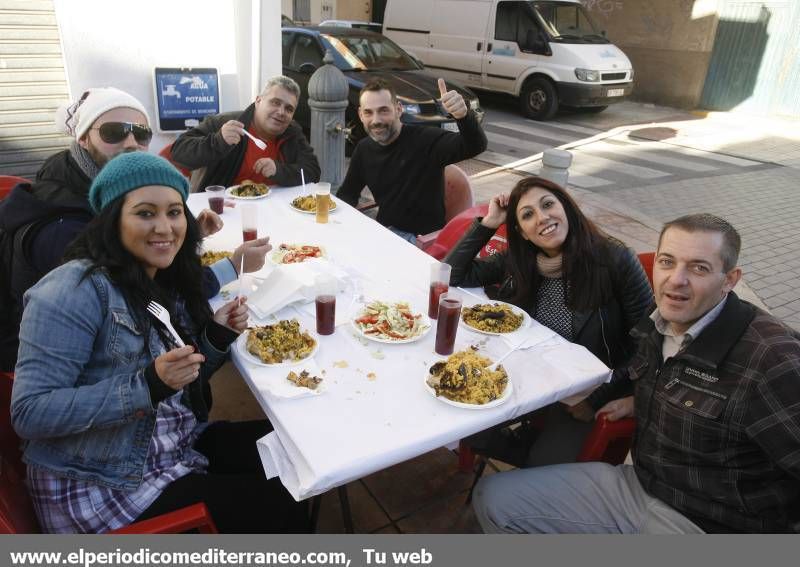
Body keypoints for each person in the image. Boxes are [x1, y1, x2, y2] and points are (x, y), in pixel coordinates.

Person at [11, 152, 308, 533]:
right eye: (145, 213)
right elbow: (30, 414)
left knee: (293, 452)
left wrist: (215, 337)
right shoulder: (71, 290)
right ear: (112, 219)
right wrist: (147, 385)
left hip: (171, 442)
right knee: (278, 504)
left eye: (173, 212)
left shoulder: (157, 277)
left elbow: (177, 381)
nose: (165, 227)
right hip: (102, 485)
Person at [473, 213, 800, 534]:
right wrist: (636, 399)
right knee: (495, 500)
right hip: (638, 485)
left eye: (699, 268)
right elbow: (655, 371)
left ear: (729, 279)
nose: (676, 280)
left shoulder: (772, 360)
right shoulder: (660, 320)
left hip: (708, 524)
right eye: (668, 262)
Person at [0, 87, 269, 371]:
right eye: (114, 132)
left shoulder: (76, 181)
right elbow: (150, 295)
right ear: (82, 138)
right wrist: (231, 266)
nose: (131, 143)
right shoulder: (64, 233)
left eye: (141, 134)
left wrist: (183, 235)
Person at [446, 176, 653, 466]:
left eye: (548, 205)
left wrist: (597, 398)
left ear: (566, 207)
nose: (542, 218)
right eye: (528, 215)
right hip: (526, 373)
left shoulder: (615, 260)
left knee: (544, 463)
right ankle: (526, 445)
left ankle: (534, 453)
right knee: (464, 428)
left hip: (583, 390)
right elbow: (453, 275)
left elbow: (650, 345)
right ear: (523, 232)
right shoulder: (523, 259)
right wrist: (490, 223)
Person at [337, 78, 488, 242]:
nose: (376, 120)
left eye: (383, 110)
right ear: (360, 115)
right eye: (368, 112)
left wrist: (463, 116)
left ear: (398, 109)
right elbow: (347, 195)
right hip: (384, 233)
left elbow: (475, 146)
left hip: (422, 241)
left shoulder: (425, 140)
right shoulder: (364, 149)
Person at [170, 75, 320, 189]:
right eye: (275, 102)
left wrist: (279, 170)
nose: (281, 112)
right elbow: (178, 152)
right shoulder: (223, 122)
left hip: (275, 211)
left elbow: (312, 171)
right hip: (223, 212)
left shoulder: (292, 132)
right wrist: (218, 141)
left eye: (289, 109)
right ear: (258, 101)